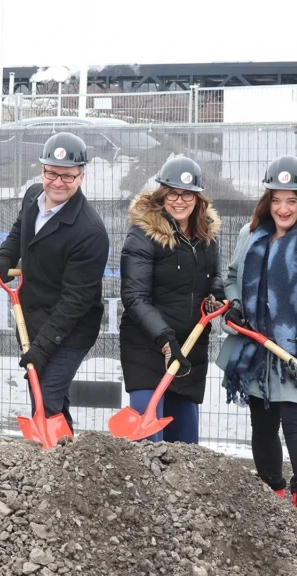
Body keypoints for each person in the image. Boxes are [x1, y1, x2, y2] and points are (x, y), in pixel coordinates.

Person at [217, 155, 297, 520]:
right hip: (258, 349)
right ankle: (270, 491)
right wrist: (236, 305)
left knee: (294, 423)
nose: (283, 207)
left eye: (291, 200)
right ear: (267, 201)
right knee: (262, 424)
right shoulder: (251, 234)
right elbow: (232, 277)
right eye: (276, 199)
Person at [0, 132, 110, 432]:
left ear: (81, 176)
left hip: (71, 330)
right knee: (43, 396)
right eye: (51, 173)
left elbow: (75, 302)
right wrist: (5, 258)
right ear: (42, 169)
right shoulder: (33, 196)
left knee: (47, 397)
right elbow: (19, 232)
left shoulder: (89, 232)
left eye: (67, 176)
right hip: (34, 318)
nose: (57, 182)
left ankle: (52, 463)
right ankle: (63, 457)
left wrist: (42, 349)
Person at [118, 157, 225, 444]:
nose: (180, 201)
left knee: (185, 446)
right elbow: (134, 295)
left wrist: (216, 294)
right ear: (161, 194)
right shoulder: (143, 234)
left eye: (187, 194)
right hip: (148, 346)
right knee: (147, 441)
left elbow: (214, 274)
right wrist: (165, 340)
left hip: (190, 346)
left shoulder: (206, 234)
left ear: (198, 197)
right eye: (173, 193)